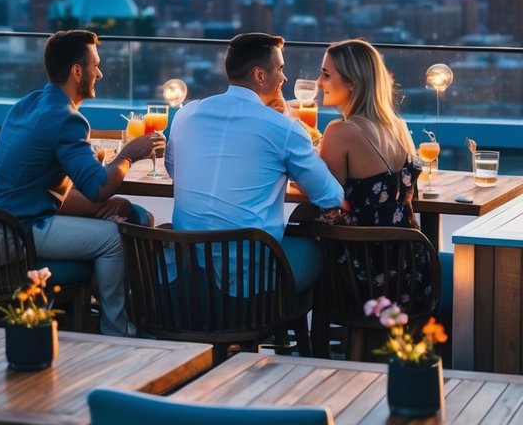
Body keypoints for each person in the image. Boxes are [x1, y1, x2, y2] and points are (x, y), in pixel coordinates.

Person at [0, 29, 161, 335]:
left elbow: (49, 178)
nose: (100, 73)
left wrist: (104, 186)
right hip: (14, 232)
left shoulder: (28, 103)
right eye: (96, 65)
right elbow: (97, 188)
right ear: (78, 71)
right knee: (113, 238)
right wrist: (129, 155)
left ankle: (108, 319)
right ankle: (117, 331)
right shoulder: (68, 118)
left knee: (124, 214)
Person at [165, 32, 343, 292]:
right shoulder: (284, 128)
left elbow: (175, 170)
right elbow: (330, 196)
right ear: (260, 76)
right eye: (280, 69)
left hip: (188, 279)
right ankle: (279, 327)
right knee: (316, 250)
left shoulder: (185, 115)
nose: (284, 77)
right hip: (247, 286)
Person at [315, 38, 433, 305]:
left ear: (352, 83)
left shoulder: (340, 132)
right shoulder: (399, 127)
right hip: (411, 267)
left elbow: (326, 200)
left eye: (326, 75)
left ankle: (290, 333)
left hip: (366, 272)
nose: (319, 83)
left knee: (292, 237)